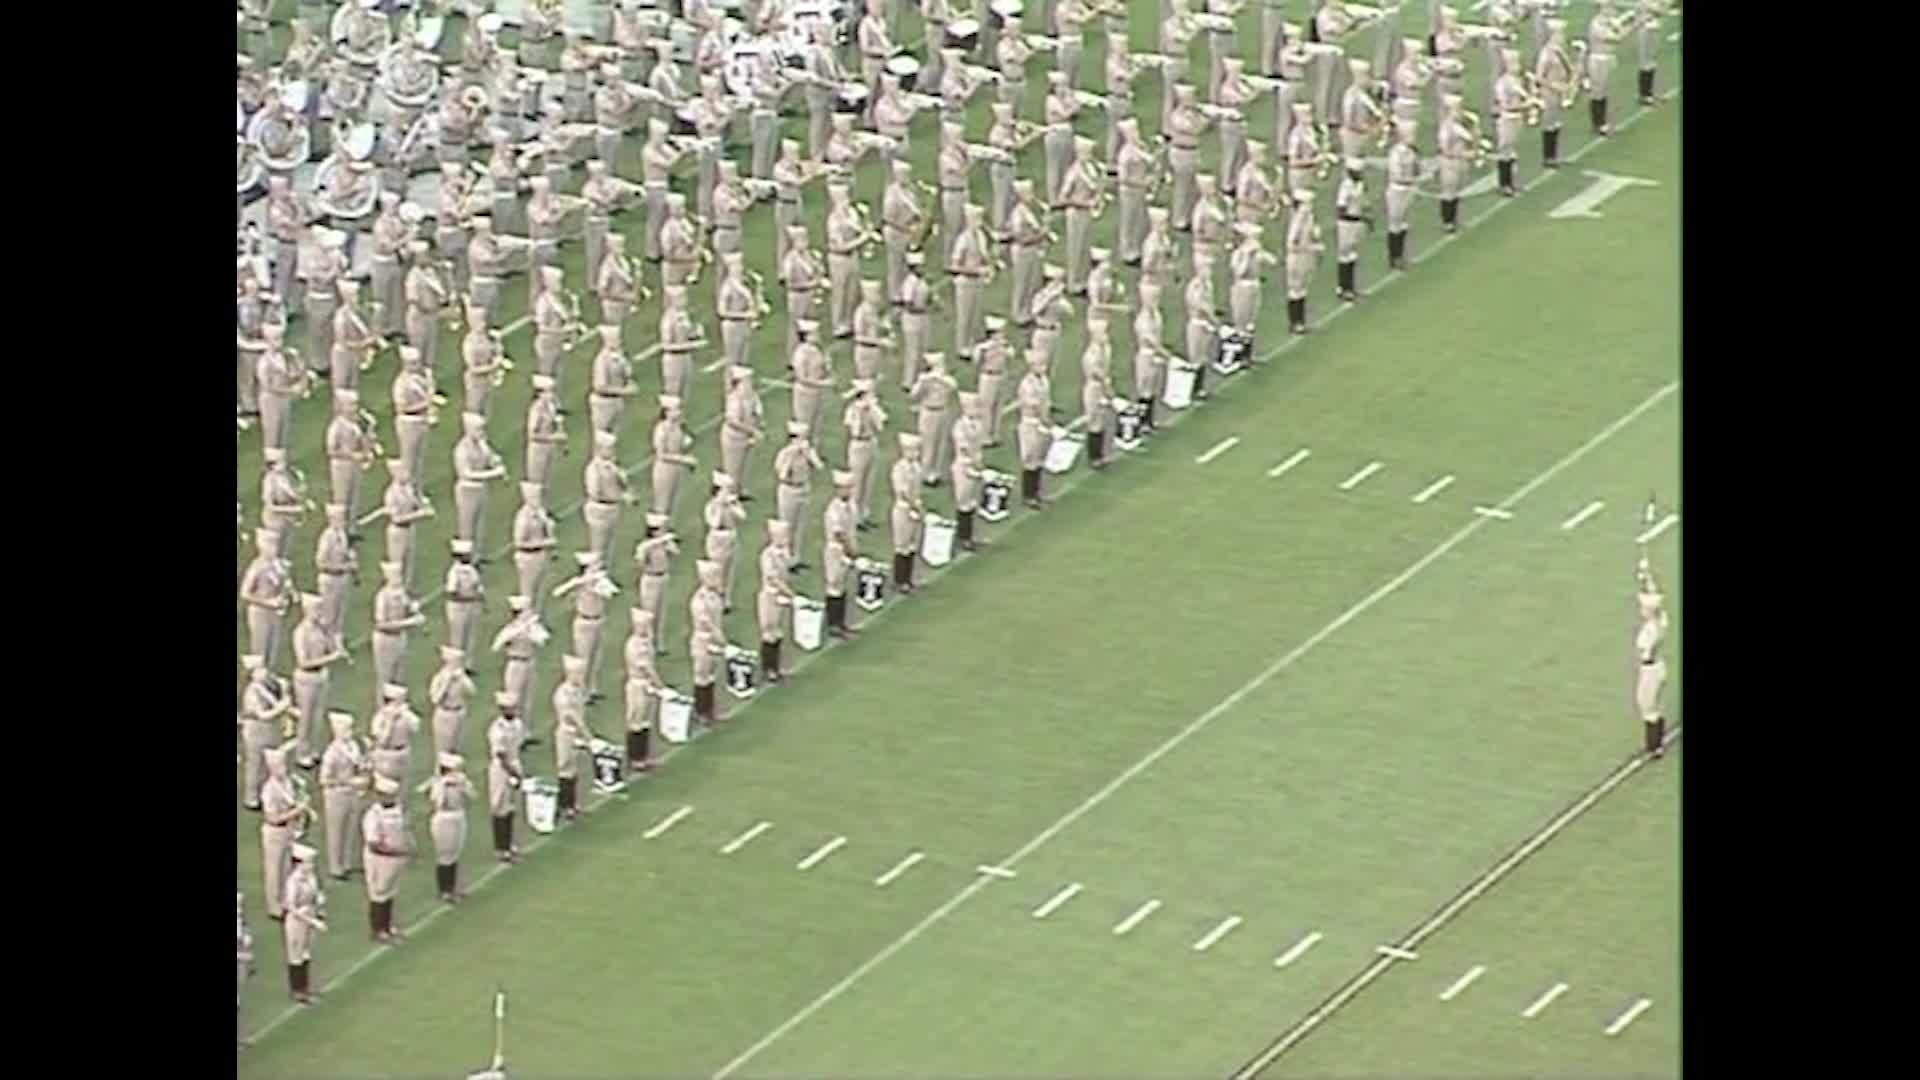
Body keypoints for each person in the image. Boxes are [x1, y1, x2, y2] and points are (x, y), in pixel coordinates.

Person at [317, 710, 368, 882]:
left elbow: (359, 763)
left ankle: (346, 862)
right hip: (336, 795)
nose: (350, 731)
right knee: (336, 830)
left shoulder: (353, 746)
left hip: (352, 793)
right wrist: (348, 781)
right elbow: (324, 779)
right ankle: (336, 866)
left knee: (350, 828)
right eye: (347, 728)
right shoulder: (332, 753)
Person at [361, 775, 411, 944]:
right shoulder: (373, 815)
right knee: (379, 892)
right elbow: (374, 843)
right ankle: (378, 929)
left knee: (390, 891)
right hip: (380, 859)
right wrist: (397, 851)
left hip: (396, 857)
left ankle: (388, 926)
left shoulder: (397, 809)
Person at [258, 743, 303, 920]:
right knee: (274, 869)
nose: (283, 768)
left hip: (288, 829)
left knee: (286, 867)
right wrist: (297, 812)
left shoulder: (288, 783)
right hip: (274, 832)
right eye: (279, 765)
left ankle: (286, 900)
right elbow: (272, 818)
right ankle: (274, 906)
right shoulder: (269, 790)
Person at [774, 424, 827, 569]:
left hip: (803, 488)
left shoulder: (806, 452)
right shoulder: (784, 454)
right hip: (788, 490)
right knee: (786, 525)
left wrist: (809, 453)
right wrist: (791, 457)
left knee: (799, 525)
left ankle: (795, 557)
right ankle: (783, 557)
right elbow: (782, 475)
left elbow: (819, 466)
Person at [552, 655, 594, 822]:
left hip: (575, 732)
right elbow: (571, 716)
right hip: (567, 732)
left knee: (574, 769)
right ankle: (564, 805)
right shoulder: (563, 693)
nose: (580, 676)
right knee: (565, 767)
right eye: (578, 673)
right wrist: (587, 735)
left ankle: (572, 804)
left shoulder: (577, 690)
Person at [282, 843, 324, 1005]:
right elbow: (291, 907)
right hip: (297, 921)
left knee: (306, 952)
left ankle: (305, 987)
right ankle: (297, 990)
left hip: (310, 914)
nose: (311, 865)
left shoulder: (311, 877)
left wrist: (319, 903)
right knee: (296, 954)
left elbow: (316, 892)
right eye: (308, 862)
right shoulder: (293, 881)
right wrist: (313, 921)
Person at [1635, 568, 1671, 757]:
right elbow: (1653, 596)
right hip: (1656, 667)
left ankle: (1655, 746)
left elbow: (1653, 604)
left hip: (1650, 670)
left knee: (1646, 705)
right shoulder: (1660, 622)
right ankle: (1657, 742)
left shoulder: (1653, 627)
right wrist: (1646, 576)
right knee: (1650, 705)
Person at [487, 694, 527, 862]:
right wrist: (514, 774)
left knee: (510, 807)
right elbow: (501, 755)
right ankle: (500, 848)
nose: (514, 710)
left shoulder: (517, 724)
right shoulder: (497, 730)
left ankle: (509, 844)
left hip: (514, 763)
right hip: (501, 769)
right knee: (499, 807)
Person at [623, 608, 664, 770]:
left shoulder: (645, 641)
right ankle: (635, 757)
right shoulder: (635, 645)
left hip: (645, 684)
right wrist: (659, 684)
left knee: (645, 719)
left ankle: (644, 755)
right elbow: (646, 667)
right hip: (638, 684)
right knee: (636, 719)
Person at [689, 560, 729, 725]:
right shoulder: (700, 600)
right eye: (714, 576)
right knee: (702, 675)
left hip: (715, 639)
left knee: (711, 675)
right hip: (703, 640)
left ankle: (710, 709)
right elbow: (706, 623)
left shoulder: (716, 594)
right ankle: (700, 711)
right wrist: (721, 639)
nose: (718, 579)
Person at [755, 520, 796, 681]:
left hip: (780, 595)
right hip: (770, 596)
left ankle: (776, 667)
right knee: (769, 630)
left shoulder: (784, 552)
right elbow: (773, 578)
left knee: (778, 631)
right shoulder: (767, 555)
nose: (786, 538)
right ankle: (768, 669)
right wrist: (791, 593)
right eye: (783, 535)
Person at [823, 471, 862, 639]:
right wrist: (850, 550)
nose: (848, 491)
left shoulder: (851, 505)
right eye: (845, 488)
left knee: (842, 586)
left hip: (847, 547)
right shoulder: (833, 510)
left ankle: (841, 622)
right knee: (834, 585)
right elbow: (838, 533)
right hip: (836, 550)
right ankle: (833, 624)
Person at [949, 391, 990, 550]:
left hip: (975, 464)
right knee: (964, 501)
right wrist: (974, 464)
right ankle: (963, 537)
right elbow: (964, 448)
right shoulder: (960, 427)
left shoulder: (978, 424)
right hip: (963, 466)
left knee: (972, 501)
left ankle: (970, 535)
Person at [648, 396, 700, 519]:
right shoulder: (661, 429)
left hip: (675, 468)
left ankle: (665, 530)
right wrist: (684, 460)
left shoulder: (678, 426)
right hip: (664, 469)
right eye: (676, 409)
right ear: (667, 412)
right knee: (662, 503)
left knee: (671, 501)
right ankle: (658, 532)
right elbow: (661, 454)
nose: (679, 412)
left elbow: (680, 444)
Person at [704, 474, 748, 612]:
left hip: (730, 535)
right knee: (717, 569)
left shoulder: (731, 503)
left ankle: (726, 600)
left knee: (729, 569)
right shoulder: (710, 506)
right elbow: (714, 523)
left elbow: (743, 516)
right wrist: (720, 506)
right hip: (717, 538)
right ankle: (714, 599)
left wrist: (732, 506)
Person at [1016, 350, 1053, 508]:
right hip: (1031, 423)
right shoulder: (1026, 384)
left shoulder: (1044, 380)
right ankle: (1028, 495)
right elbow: (1033, 405)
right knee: (1030, 457)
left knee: (1039, 457)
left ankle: (1037, 492)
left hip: (1042, 423)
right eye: (1040, 364)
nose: (1043, 367)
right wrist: (1044, 419)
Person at [720, 366, 765, 493]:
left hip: (746, 436)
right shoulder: (734, 399)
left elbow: (758, 410)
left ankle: (740, 489)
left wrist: (760, 424)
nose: (750, 383)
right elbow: (733, 421)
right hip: (734, 438)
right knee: (732, 467)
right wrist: (753, 431)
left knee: (744, 465)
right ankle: (729, 493)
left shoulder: (751, 396)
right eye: (747, 381)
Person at [889, 435, 925, 593]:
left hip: (914, 507)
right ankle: (899, 580)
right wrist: (913, 506)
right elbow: (902, 492)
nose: (915, 453)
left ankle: (908, 579)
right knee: (901, 544)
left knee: (911, 544)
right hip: (903, 508)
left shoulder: (917, 467)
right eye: (912, 450)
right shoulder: (899, 469)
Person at [429, 645, 478, 757]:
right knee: (443, 751)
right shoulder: (439, 678)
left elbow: (472, 691)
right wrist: (446, 683)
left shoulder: (460, 677)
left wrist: (463, 678)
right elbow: (435, 699)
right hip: (444, 714)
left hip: (459, 712)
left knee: (457, 750)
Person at [1285, 188, 1322, 333]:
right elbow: (1292, 243)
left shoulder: (1308, 218)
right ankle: (1295, 322)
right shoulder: (1298, 220)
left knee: (1302, 288)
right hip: (1297, 257)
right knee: (1296, 288)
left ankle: (1300, 321)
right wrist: (1310, 247)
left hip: (1305, 256)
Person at [1334, 157, 1370, 300]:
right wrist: (1352, 215)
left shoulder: (1359, 185)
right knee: (1344, 254)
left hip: (1356, 221)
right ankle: (1343, 287)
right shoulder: (1346, 186)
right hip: (1346, 223)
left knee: (1352, 254)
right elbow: (1341, 207)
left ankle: (1351, 287)